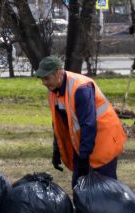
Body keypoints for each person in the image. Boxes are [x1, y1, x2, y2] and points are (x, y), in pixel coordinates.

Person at [36, 55, 127, 187]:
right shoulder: (53, 91)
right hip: (85, 143)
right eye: (41, 79)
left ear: (58, 73)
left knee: (106, 189)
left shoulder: (81, 88)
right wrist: (57, 150)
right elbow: (58, 124)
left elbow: (88, 124)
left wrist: (84, 157)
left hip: (104, 140)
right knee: (80, 188)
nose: (44, 82)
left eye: (46, 78)